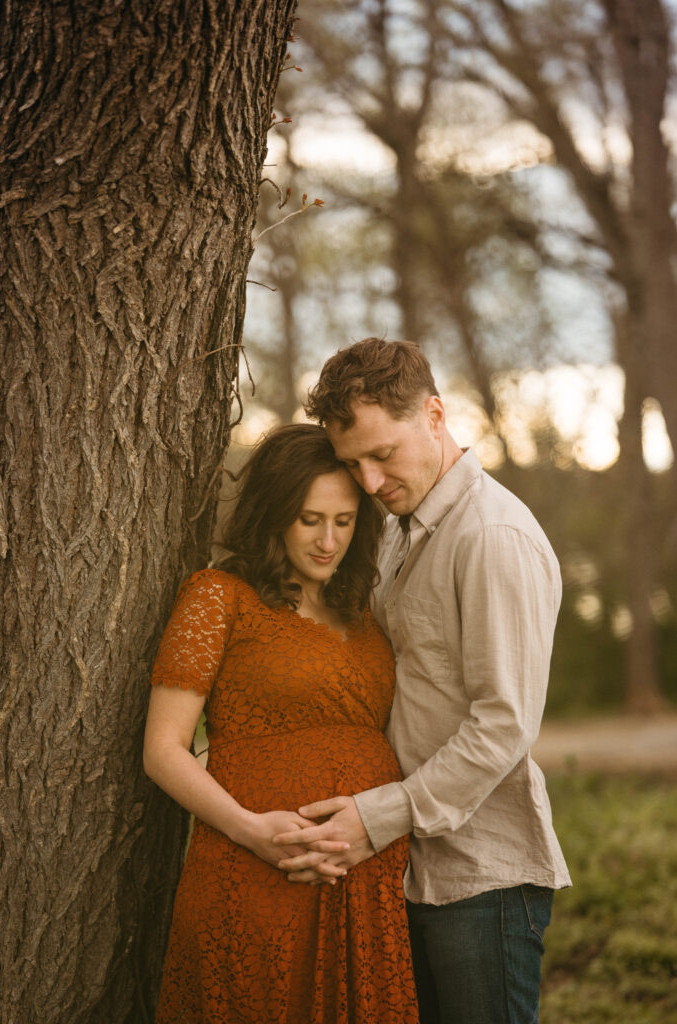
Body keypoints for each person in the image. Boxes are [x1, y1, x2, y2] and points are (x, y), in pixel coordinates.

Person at [272, 339, 572, 1024]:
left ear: (434, 414)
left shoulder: (490, 536)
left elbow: (504, 723)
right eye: (353, 463)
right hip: (405, 870)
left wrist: (377, 819)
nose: (369, 482)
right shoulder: (403, 531)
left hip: (481, 878)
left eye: (383, 454)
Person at [143, 422, 419, 1024]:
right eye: (308, 519)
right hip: (254, 872)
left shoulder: (362, 614)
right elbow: (163, 750)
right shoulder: (219, 597)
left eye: (343, 521)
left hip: (363, 884)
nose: (327, 540)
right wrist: (251, 831)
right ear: (273, 514)